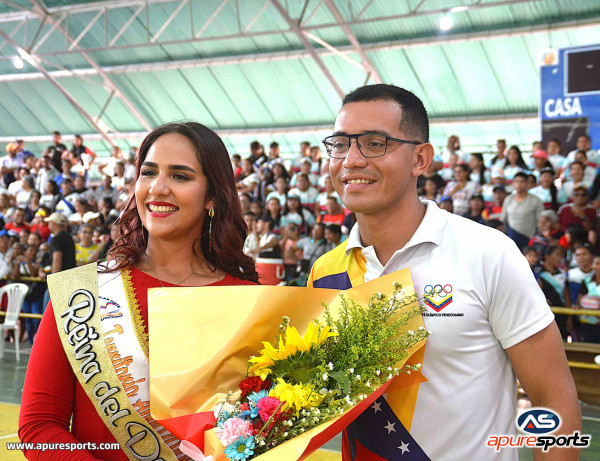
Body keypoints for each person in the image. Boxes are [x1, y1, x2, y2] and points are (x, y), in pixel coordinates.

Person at [308, 84, 580, 460]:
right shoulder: (325, 272)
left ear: (421, 159)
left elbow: (554, 399)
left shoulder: (488, 253)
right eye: (340, 144)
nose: (351, 160)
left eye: (374, 143)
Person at [19, 122, 259, 460]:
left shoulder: (250, 303)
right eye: (148, 173)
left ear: (212, 197)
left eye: (180, 176)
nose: (158, 187)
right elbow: (39, 427)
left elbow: (262, 435)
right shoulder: (82, 293)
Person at [501, 171, 543, 250]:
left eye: (522, 182)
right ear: (513, 184)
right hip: (511, 238)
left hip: (528, 239)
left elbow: (540, 221)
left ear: (527, 183)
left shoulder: (535, 200)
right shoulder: (508, 199)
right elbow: (504, 219)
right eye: (516, 182)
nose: (519, 184)